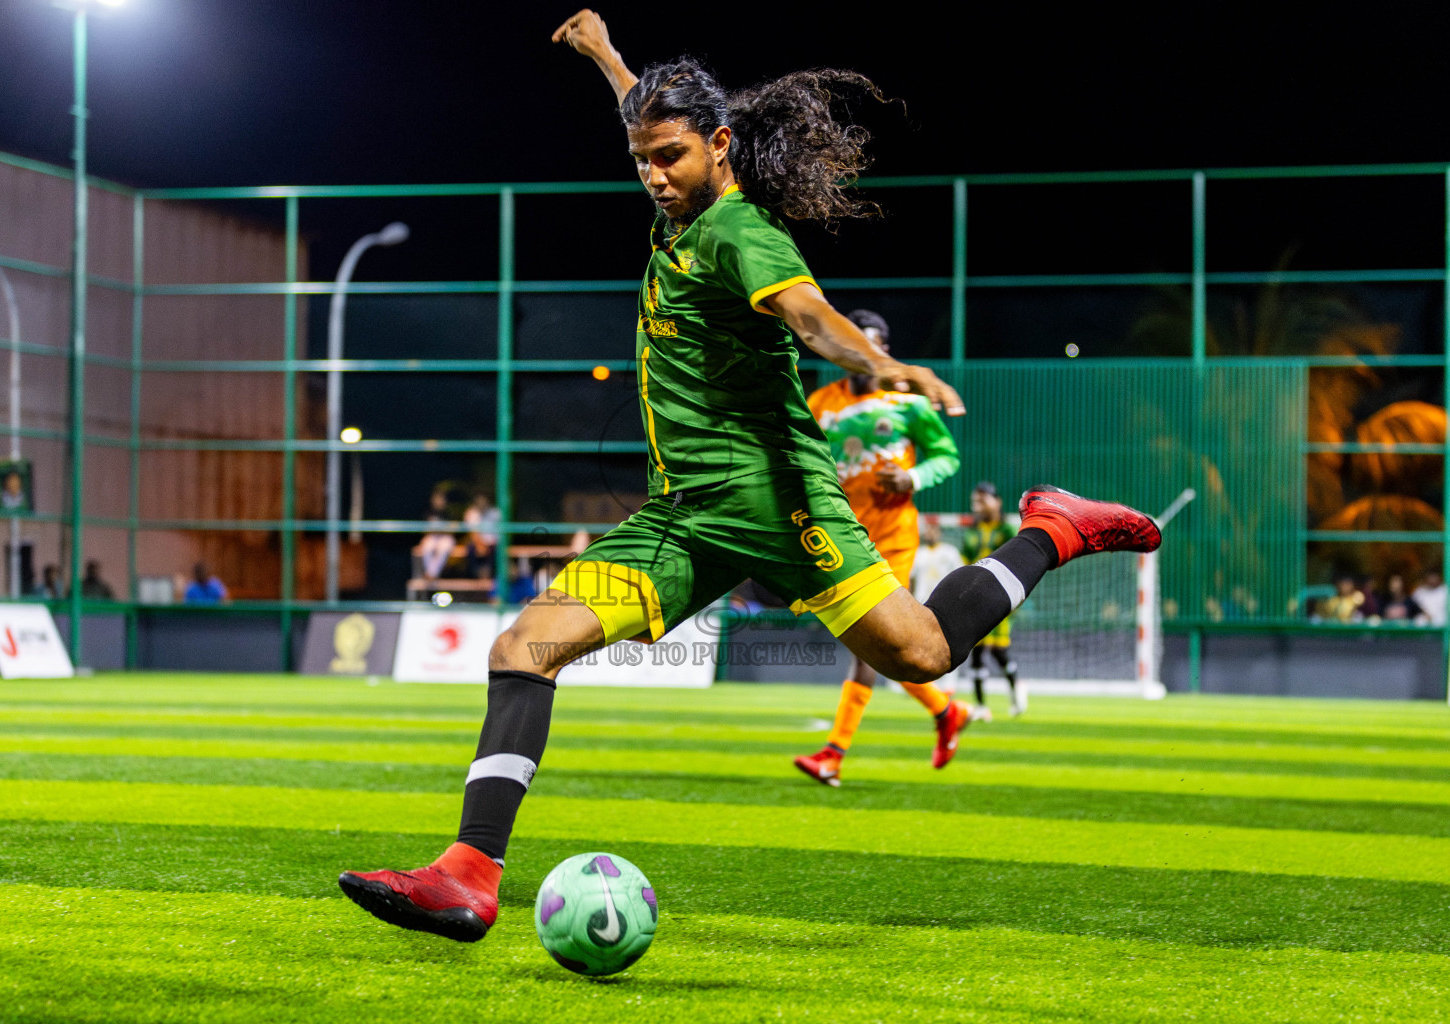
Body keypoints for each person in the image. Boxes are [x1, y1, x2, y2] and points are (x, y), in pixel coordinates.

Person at [337, 10, 1160, 945]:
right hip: (684, 520)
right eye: (643, 156)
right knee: (523, 648)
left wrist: (886, 369)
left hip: (779, 504)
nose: (653, 173)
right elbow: (643, 118)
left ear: (720, 147)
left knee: (924, 653)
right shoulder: (676, 198)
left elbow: (811, 320)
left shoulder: (739, 234)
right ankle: (468, 876)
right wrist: (608, 58)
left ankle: (1055, 527)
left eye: (671, 156)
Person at [794, 309, 975, 787]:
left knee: (868, 643)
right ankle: (946, 711)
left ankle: (833, 754)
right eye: (857, 345)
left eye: (875, 346)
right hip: (839, 536)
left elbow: (946, 457)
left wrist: (912, 476)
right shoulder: (820, 403)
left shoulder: (909, 404)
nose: (866, 358)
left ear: (886, 351)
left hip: (893, 537)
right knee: (872, 645)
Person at [961, 482, 1027, 716]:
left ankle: (1016, 689)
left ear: (997, 502)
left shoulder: (1007, 531)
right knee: (976, 651)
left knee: (999, 651)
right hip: (976, 600)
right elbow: (965, 562)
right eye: (975, 501)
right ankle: (980, 706)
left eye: (982, 500)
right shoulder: (971, 531)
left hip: (1000, 598)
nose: (977, 505)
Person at [909, 516, 964, 603]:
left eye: (933, 529)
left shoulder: (950, 552)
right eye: (927, 529)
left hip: (944, 602)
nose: (930, 532)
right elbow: (911, 579)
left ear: (939, 531)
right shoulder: (918, 553)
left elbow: (960, 576)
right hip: (921, 602)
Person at [413, 491, 457, 584]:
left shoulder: (449, 513)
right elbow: (424, 530)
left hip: (445, 538)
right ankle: (431, 575)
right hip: (432, 537)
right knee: (427, 547)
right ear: (432, 500)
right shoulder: (427, 513)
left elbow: (453, 530)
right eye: (436, 499)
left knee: (444, 548)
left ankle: (431, 574)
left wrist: (440, 530)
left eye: (441, 499)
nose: (439, 501)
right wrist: (434, 530)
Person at [463, 493, 500, 580]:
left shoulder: (495, 513)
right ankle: (476, 577)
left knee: (496, 551)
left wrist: (487, 545)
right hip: (477, 543)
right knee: (470, 549)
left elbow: (499, 534)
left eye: (483, 499)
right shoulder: (471, 513)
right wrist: (480, 544)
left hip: (492, 544)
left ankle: (488, 577)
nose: (481, 502)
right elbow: (472, 533)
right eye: (479, 500)